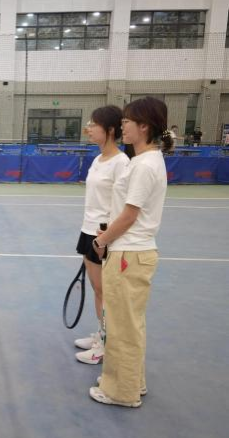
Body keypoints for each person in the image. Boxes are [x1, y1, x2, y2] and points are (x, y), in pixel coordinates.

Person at [90, 96, 171, 407]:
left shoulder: (145, 165)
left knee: (122, 327)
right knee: (130, 324)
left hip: (128, 254)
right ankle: (132, 382)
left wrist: (102, 241)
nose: (122, 126)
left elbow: (129, 215)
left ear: (144, 126)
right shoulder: (144, 161)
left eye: (126, 121)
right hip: (131, 252)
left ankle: (121, 392)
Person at [74, 106, 130, 365]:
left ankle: (106, 345)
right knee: (98, 290)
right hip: (88, 231)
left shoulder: (122, 163)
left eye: (93, 124)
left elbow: (124, 206)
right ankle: (102, 334)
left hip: (104, 236)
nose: (88, 128)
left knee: (104, 292)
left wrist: (105, 238)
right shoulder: (98, 160)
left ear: (109, 130)